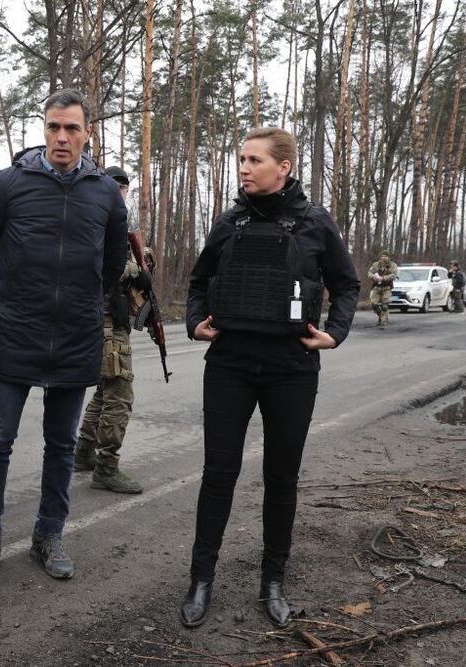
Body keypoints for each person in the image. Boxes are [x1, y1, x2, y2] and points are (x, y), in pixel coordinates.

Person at [181, 127, 359, 629]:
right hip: (231, 365)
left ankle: (273, 582)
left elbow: (347, 285)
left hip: (291, 369)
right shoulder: (229, 222)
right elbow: (198, 282)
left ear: (283, 166)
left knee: (281, 476)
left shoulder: (315, 223)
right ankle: (200, 580)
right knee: (219, 473)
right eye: (240, 159)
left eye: (253, 160)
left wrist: (336, 333)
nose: (243, 168)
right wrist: (196, 322)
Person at [0, 89, 128, 584]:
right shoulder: (9, 183)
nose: (61, 137)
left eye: (71, 128)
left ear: (86, 134)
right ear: (44, 129)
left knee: (61, 445)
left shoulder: (104, 194)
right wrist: (7, 302)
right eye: (53, 127)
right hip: (15, 333)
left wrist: (84, 304)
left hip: (76, 335)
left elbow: (112, 264)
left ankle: (49, 535)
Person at [73, 166, 144, 494]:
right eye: (118, 189)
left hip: (108, 321)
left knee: (105, 390)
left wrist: (144, 265)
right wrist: (133, 269)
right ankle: (106, 467)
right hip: (103, 322)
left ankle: (84, 454)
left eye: (124, 190)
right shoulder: (98, 219)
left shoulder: (108, 220)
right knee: (120, 393)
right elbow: (100, 266)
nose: (120, 195)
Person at [367, 251, 398, 328]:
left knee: (384, 305)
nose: (383, 257)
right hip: (376, 287)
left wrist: (383, 278)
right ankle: (382, 316)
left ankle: (383, 322)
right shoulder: (376, 264)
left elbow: (394, 275)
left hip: (386, 287)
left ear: (388, 257)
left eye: (385, 256)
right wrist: (373, 277)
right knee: (374, 304)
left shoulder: (392, 265)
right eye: (382, 256)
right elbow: (369, 273)